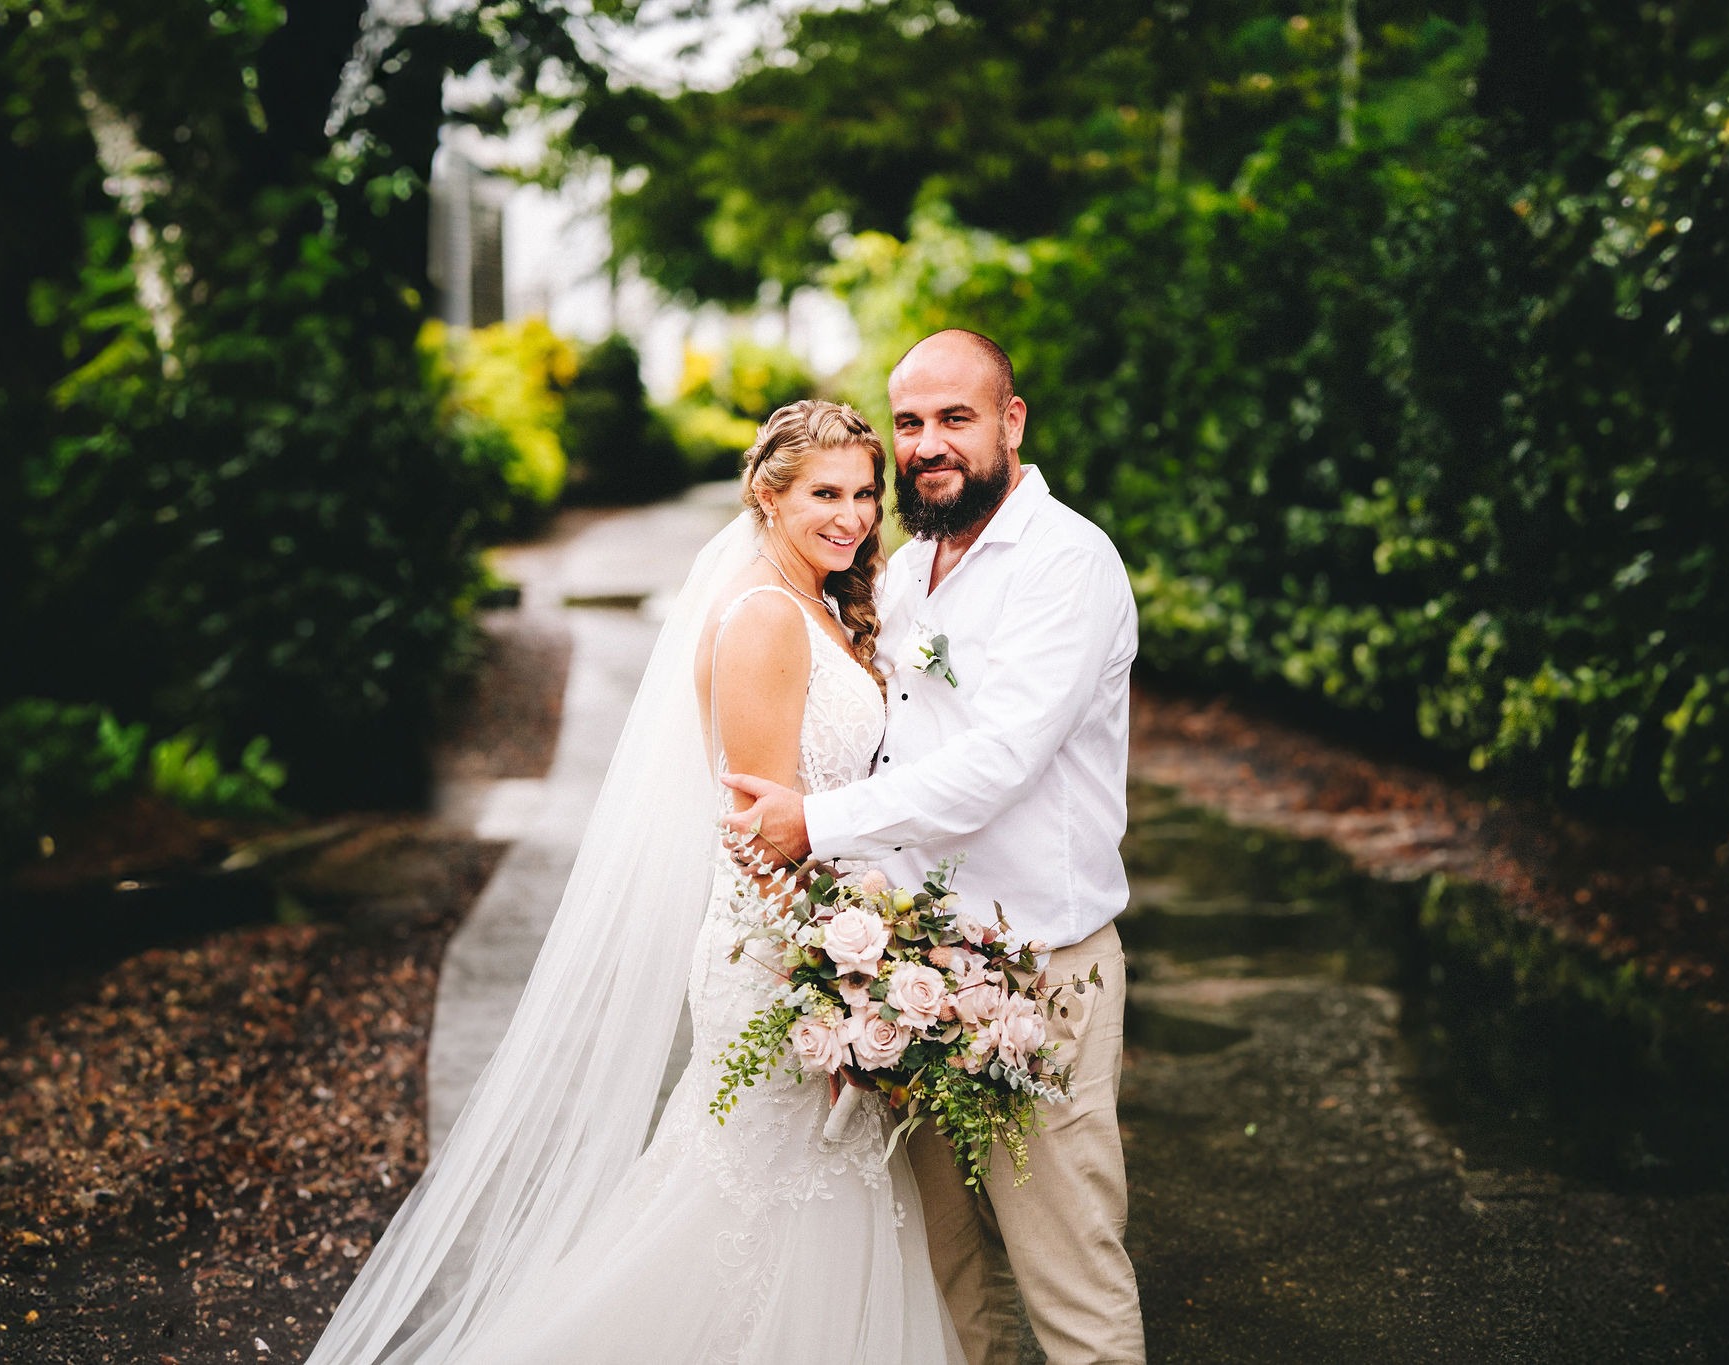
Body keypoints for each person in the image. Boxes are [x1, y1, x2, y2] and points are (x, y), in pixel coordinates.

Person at [305, 400, 962, 1364]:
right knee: (759, 1202)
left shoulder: (815, 600)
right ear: (768, 495)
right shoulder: (765, 618)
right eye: (826, 493)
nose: (854, 516)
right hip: (783, 962)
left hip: (816, 945)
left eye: (866, 494)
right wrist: (841, 990)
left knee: (791, 1200)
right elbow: (757, 835)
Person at [724, 330, 1146, 1365]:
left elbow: (999, 763)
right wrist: (840, 979)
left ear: (1011, 421)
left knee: (1072, 1284)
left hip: (1038, 975)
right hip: (911, 983)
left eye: (955, 417)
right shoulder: (907, 571)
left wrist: (813, 823)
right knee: (947, 1285)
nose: (927, 444)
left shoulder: (1066, 563)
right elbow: (884, 749)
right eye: (909, 423)